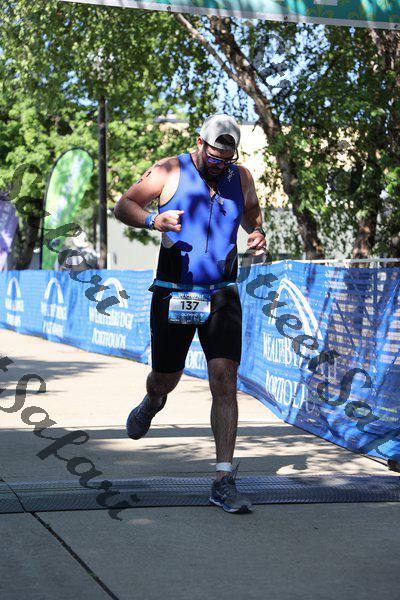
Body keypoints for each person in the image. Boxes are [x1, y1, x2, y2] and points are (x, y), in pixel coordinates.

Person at [114, 114, 266, 513]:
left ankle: (223, 479)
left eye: (227, 159)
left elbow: (251, 210)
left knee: (225, 379)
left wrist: (256, 231)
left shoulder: (240, 177)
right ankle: (152, 401)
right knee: (166, 377)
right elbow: (123, 205)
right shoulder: (169, 170)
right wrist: (153, 220)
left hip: (222, 292)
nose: (220, 165)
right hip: (174, 290)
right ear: (200, 143)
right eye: (214, 157)